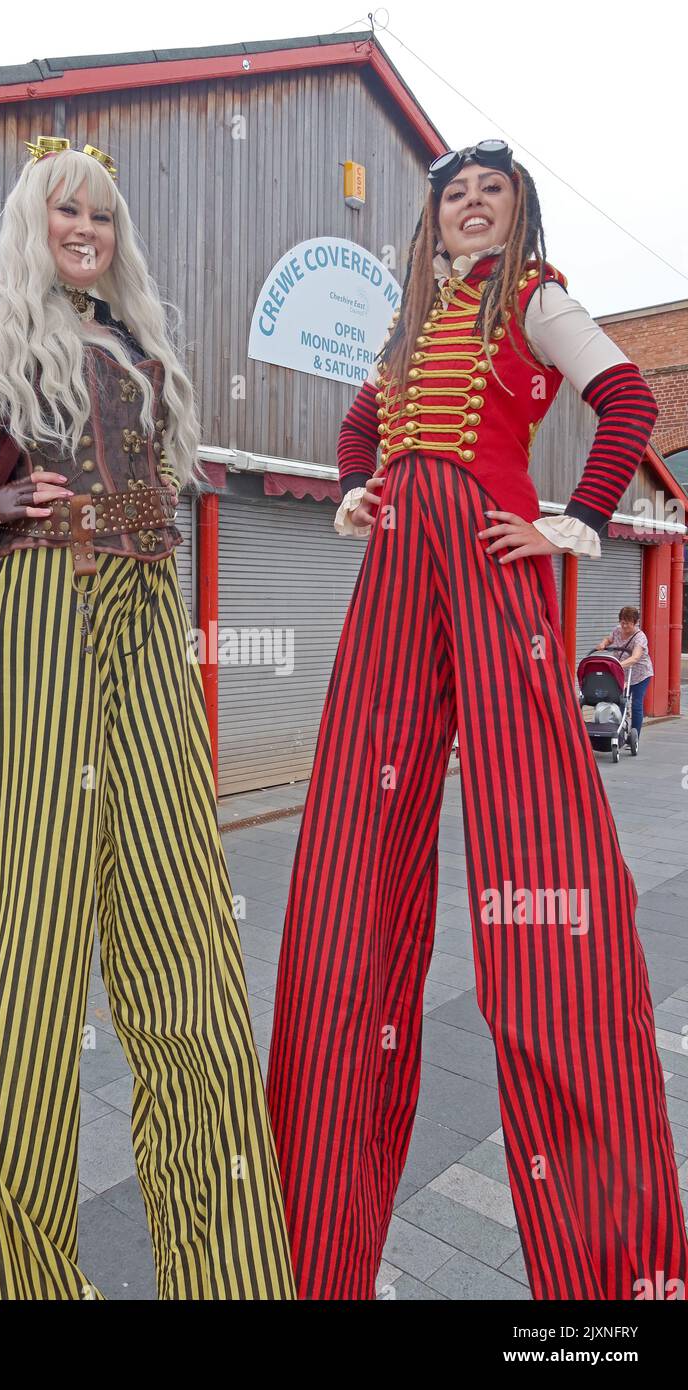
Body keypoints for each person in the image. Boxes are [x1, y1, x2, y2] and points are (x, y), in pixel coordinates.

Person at [0, 136, 295, 1301]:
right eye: (63, 212)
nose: (83, 229)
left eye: (100, 215)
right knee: (19, 946)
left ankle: (226, 1276)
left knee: (184, 933)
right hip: (39, 607)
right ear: (31, 221)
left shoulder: (135, 340)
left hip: (144, 620)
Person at [265, 140, 688, 1300]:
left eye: (487, 192)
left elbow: (627, 400)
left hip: (491, 548)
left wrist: (573, 523)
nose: (466, 206)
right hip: (399, 560)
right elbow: (363, 426)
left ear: (516, 211)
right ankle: (314, 1249)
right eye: (452, 194)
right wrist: (354, 486)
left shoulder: (537, 300)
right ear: (433, 217)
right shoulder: (407, 328)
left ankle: (608, 1273)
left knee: (539, 841)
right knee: (353, 840)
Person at [597, 606, 654, 743]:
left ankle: (634, 738)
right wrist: (603, 643)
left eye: (627, 623)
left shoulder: (640, 637)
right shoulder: (618, 630)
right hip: (622, 674)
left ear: (635, 622)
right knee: (619, 702)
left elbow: (635, 658)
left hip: (640, 675)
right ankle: (618, 733)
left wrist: (616, 665)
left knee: (636, 704)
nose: (624, 625)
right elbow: (609, 639)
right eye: (622, 622)